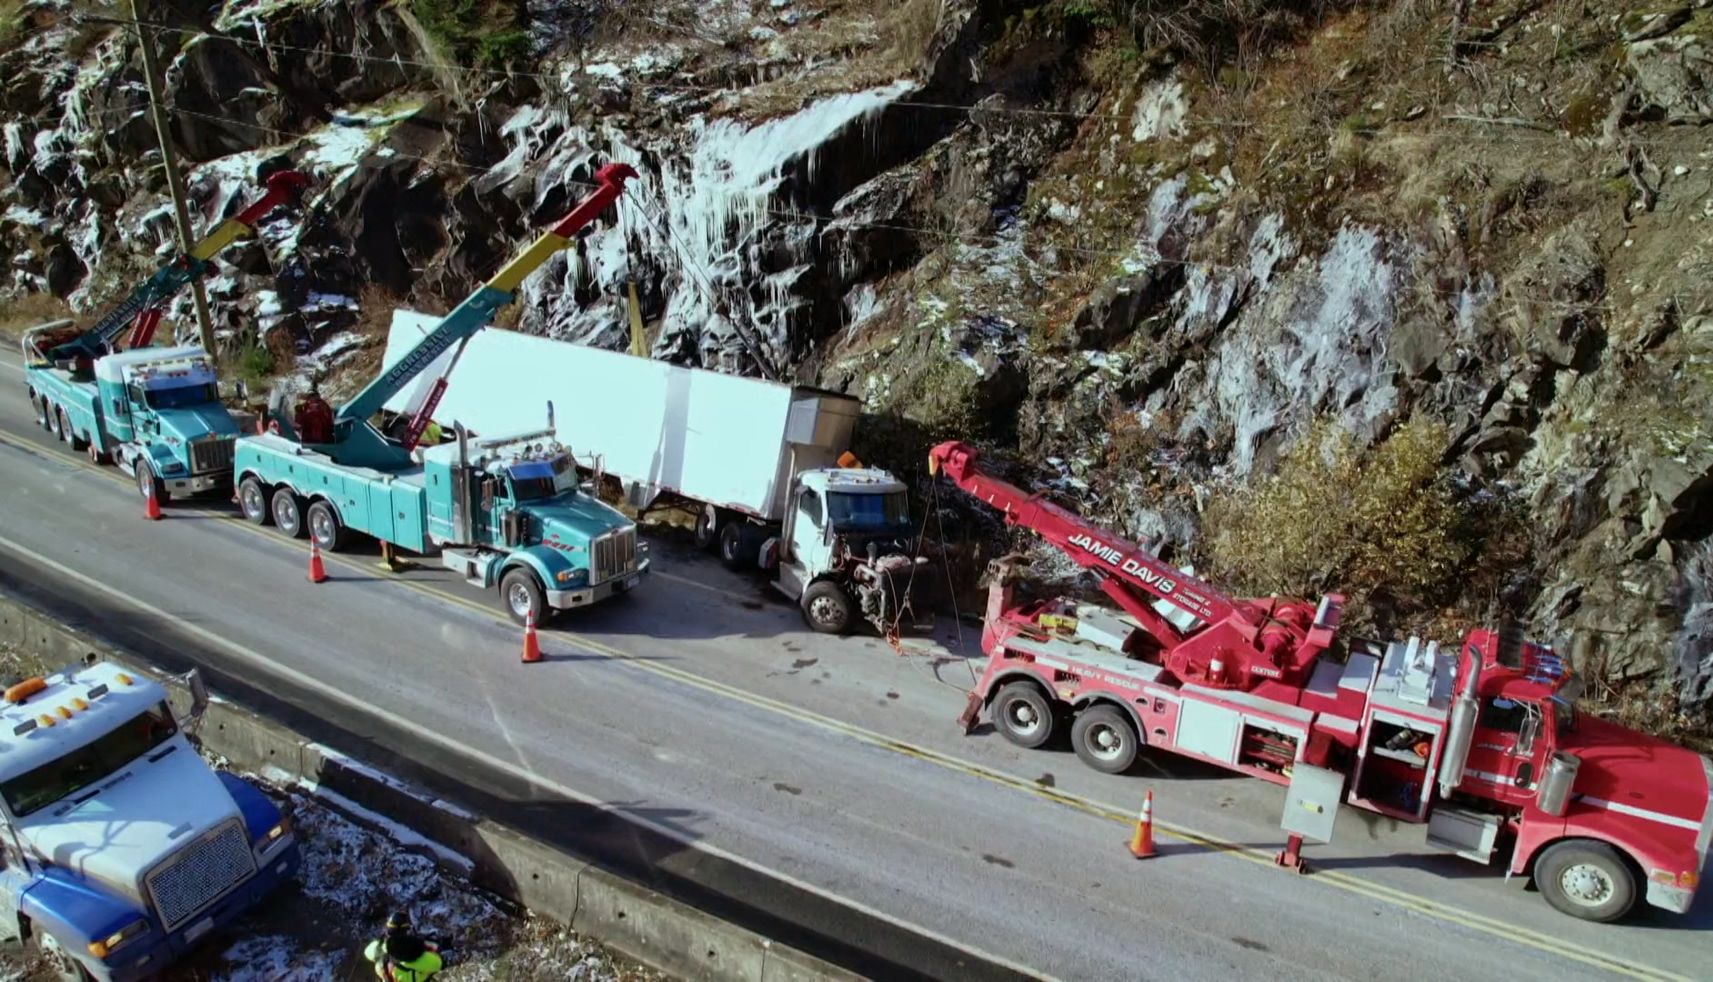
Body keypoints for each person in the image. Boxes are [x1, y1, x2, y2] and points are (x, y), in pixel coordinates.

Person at [362, 909, 443, 981]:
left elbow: (369, 951)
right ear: (405, 931)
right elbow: (438, 964)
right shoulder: (415, 958)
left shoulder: (378, 949)